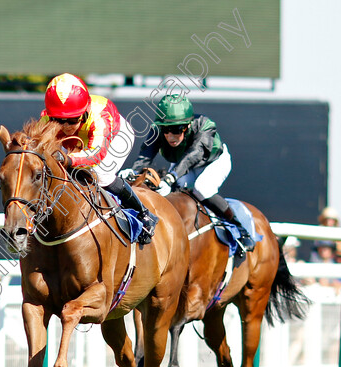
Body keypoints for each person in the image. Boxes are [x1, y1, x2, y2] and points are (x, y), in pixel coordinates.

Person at [121, 94, 255, 253]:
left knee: (202, 188)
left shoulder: (205, 126)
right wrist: (134, 171)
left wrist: (171, 177)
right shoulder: (157, 130)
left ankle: (240, 229)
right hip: (184, 165)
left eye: (176, 129)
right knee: (169, 193)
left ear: (187, 126)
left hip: (213, 162)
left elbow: (193, 155)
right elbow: (146, 155)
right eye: (166, 129)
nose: (171, 136)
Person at [40, 73, 158, 244]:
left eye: (72, 120)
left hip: (114, 136)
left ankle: (143, 213)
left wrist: (68, 159)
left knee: (100, 174)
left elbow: (96, 154)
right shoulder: (46, 119)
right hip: (79, 141)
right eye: (58, 120)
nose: (65, 126)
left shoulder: (100, 116)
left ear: (84, 111)